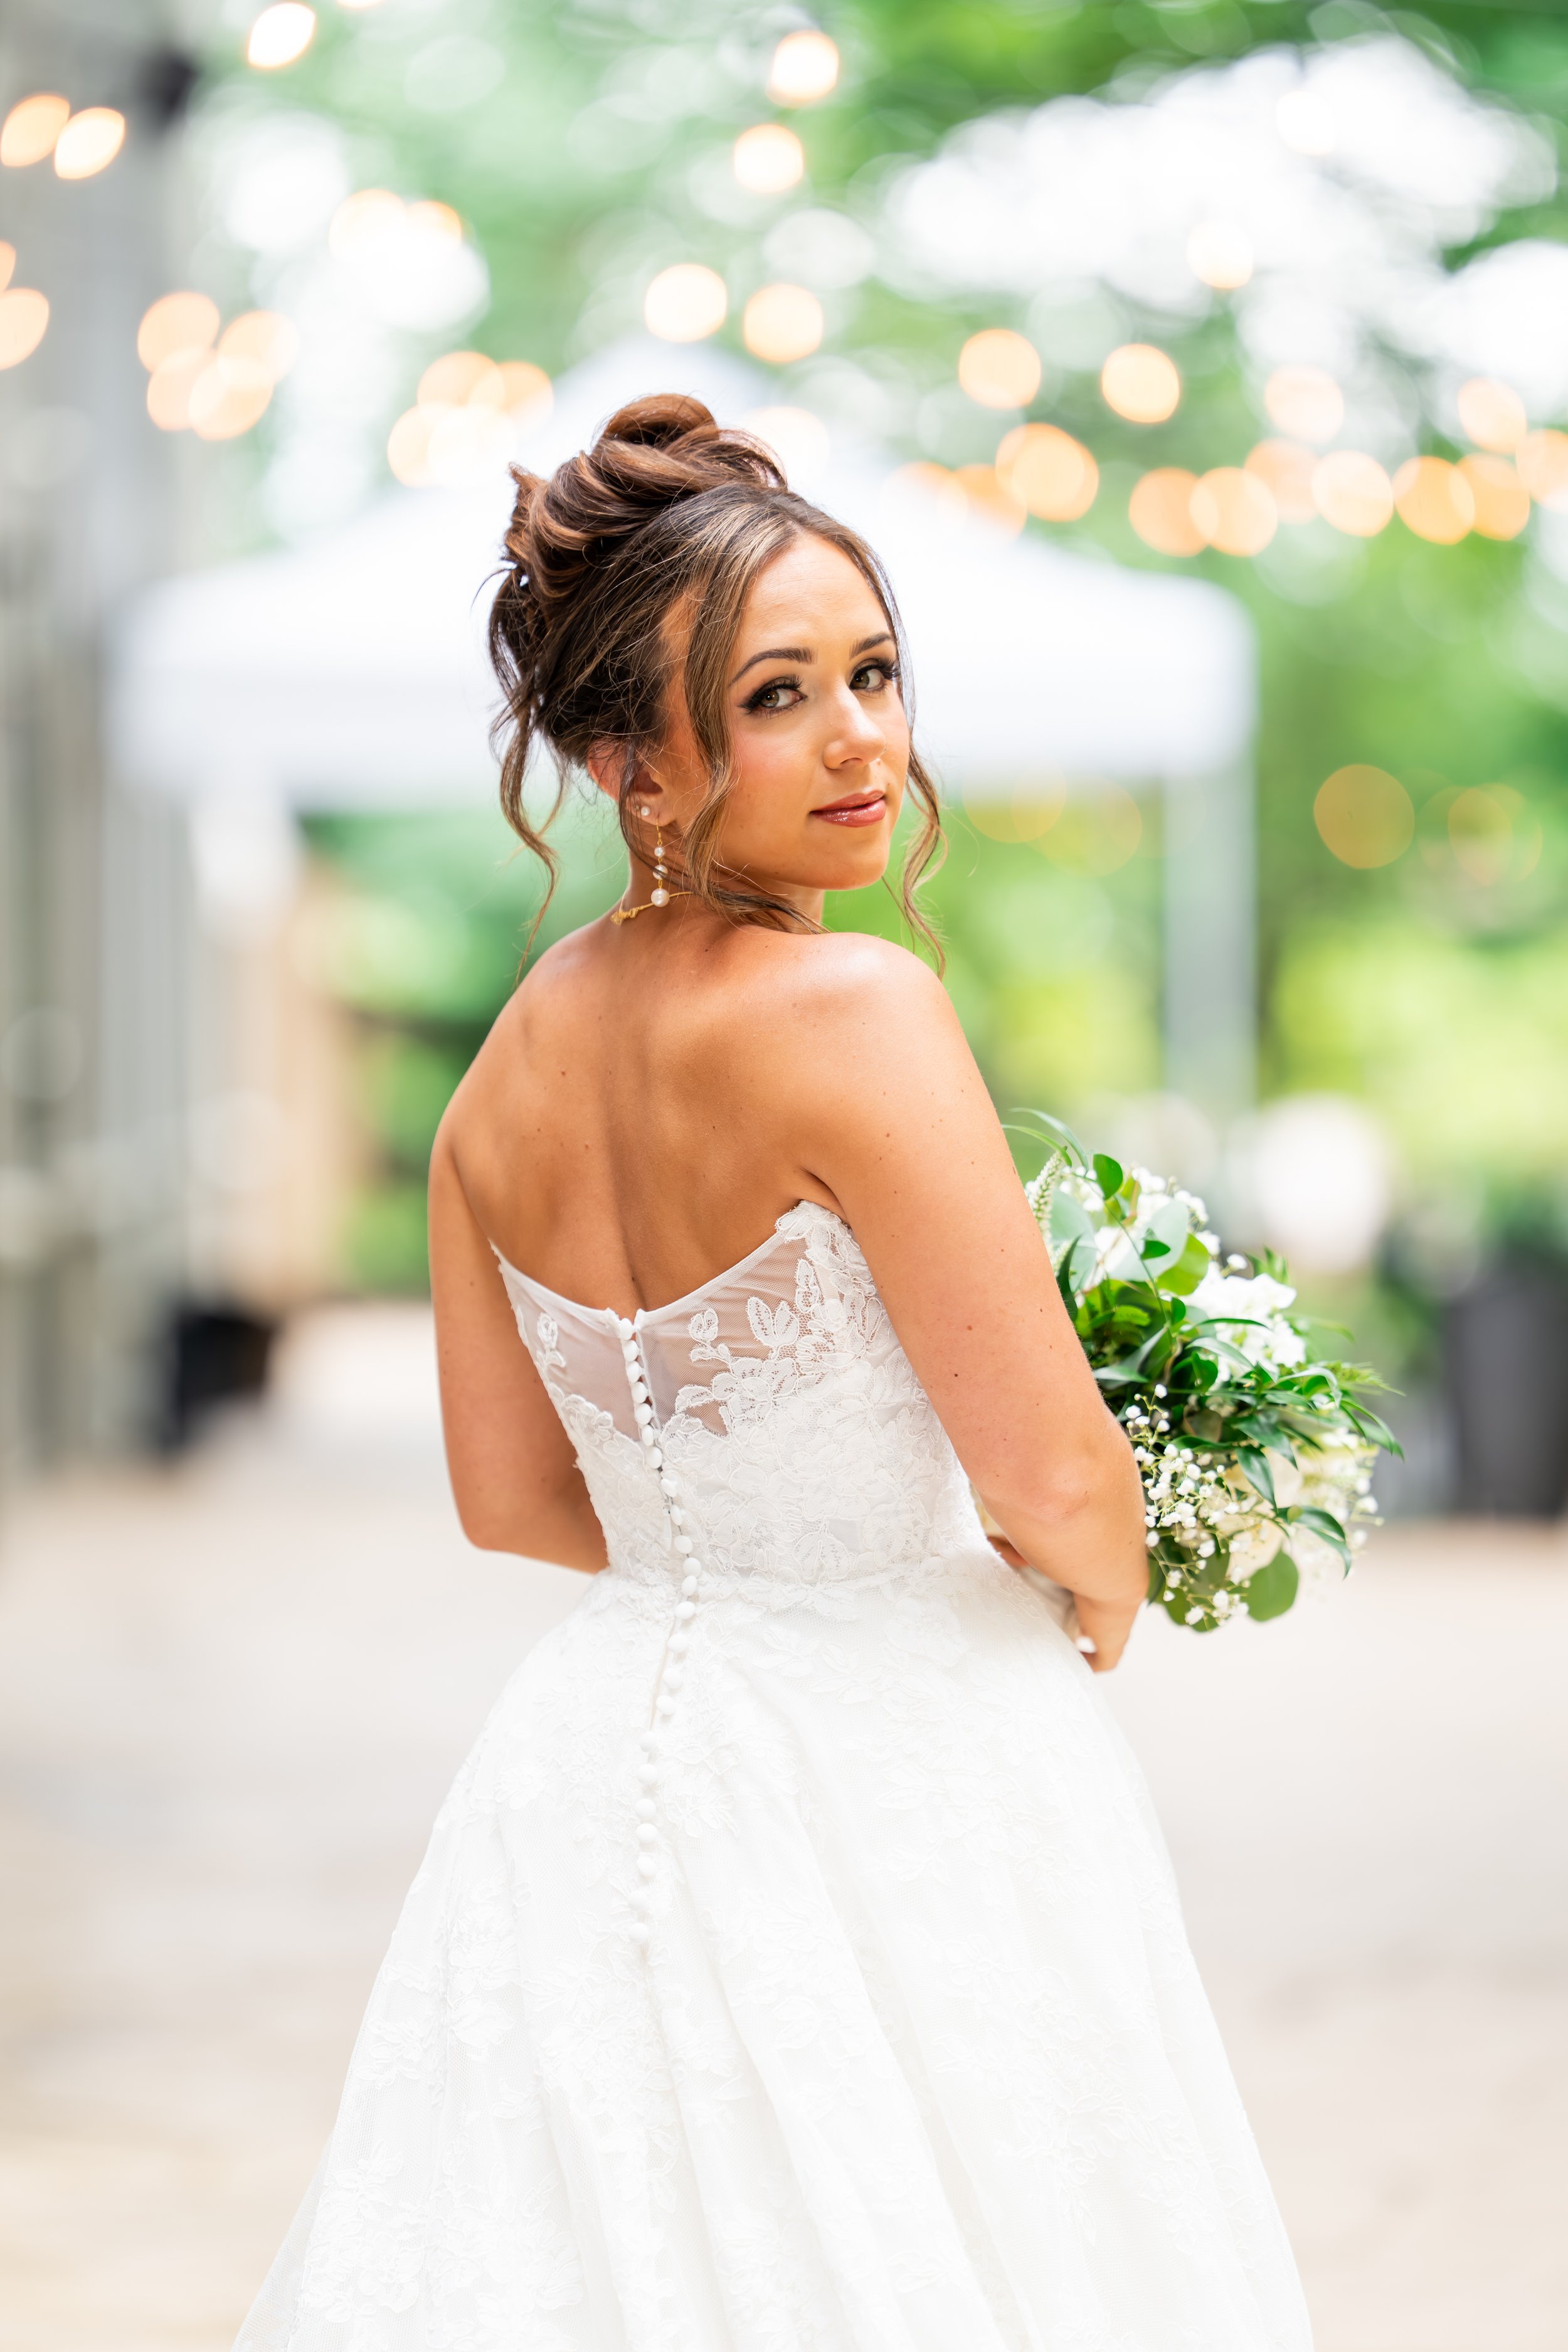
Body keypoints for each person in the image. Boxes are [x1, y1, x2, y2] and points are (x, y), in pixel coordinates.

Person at [237, 396, 1311, 2350]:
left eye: (877, 674)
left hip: (584, 1758)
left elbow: (512, 1499)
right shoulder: (856, 1010)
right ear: (633, 761)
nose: (861, 744)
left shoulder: (501, 1077)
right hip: (908, 1744)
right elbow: (1051, 1484)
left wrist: (714, 1574)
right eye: (775, 697)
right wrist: (1099, 1582)